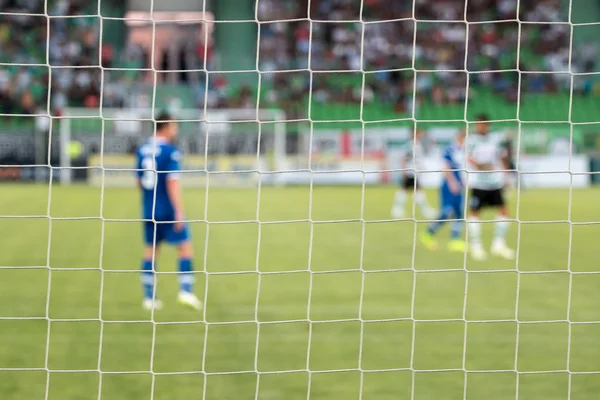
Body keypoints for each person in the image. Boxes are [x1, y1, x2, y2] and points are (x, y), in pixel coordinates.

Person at [136, 112, 202, 311]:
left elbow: (139, 182)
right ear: (166, 126)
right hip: (168, 210)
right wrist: (179, 211)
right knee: (184, 246)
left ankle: (149, 298)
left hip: (149, 209)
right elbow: (172, 181)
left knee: (150, 251)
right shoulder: (170, 151)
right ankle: (186, 291)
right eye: (175, 125)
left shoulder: (142, 150)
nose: (176, 129)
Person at [467, 114, 515, 261]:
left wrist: (506, 175)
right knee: (475, 213)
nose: (480, 127)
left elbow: (502, 157)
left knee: (503, 210)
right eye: (478, 124)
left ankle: (498, 244)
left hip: (495, 182)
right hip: (479, 183)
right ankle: (476, 246)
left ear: (488, 125)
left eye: (482, 124)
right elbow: (468, 157)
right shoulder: (472, 140)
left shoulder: (495, 139)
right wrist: (480, 165)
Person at [420, 130, 467, 252]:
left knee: (458, 212)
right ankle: (428, 233)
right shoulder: (450, 149)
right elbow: (445, 166)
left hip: (459, 184)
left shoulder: (463, 150)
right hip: (449, 185)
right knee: (447, 211)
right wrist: (452, 182)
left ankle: (455, 240)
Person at [391, 129, 436, 219]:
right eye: (419, 133)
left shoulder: (417, 145)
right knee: (414, 190)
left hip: (414, 172)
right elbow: (404, 158)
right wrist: (404, 171)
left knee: (408, 190)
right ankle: (425, 210)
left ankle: (397, 210)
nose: (421, 135)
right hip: (410, 171)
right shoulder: (410, 145)